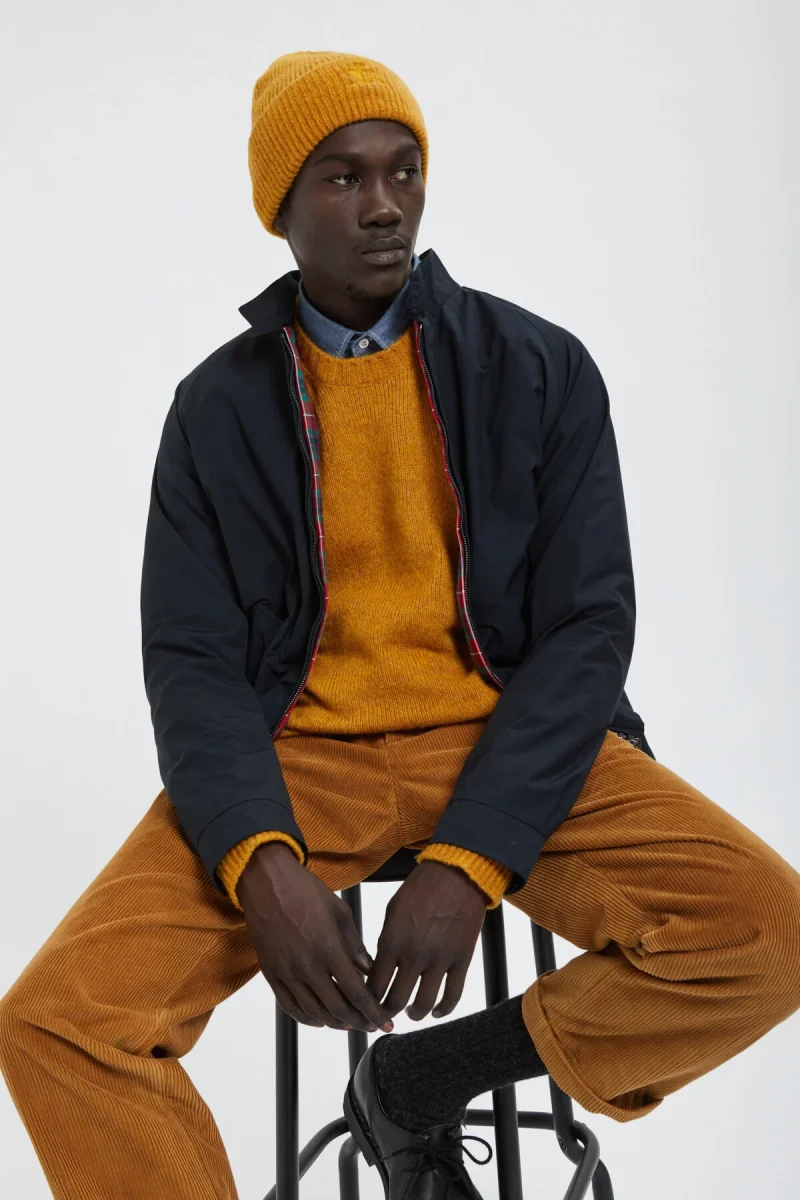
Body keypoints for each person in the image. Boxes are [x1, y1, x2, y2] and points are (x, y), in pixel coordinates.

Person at [1, 49, 798, 1200]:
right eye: (341, 177)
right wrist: (257, 860)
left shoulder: (538, 368)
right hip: (297, 760)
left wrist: (468, 863)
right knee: (59, 1022)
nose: (383, 205)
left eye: (403, 170)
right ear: (279, 207)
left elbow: (585, 630)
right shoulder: (215, 408)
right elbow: (191, 664)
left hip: (507, 739)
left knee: (770, 933)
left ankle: (423, 1082)